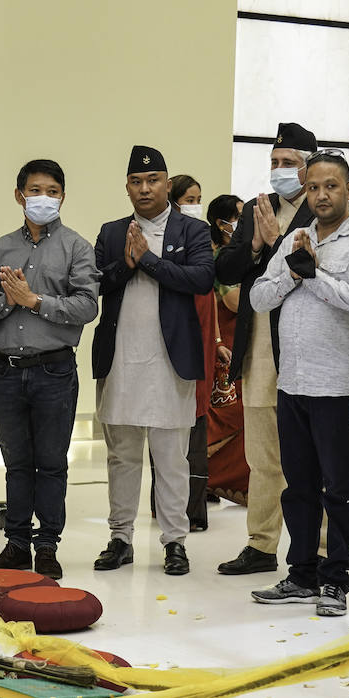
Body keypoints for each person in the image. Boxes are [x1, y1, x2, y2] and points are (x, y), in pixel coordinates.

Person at [248, 151, 349, 618]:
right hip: (293, 385)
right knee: (298, 487)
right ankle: (300, 574)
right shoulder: (293, 240)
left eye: (331, 186)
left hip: (339, 388)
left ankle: (336, 580)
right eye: (314, 188)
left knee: (339, 489)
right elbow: (258, 296)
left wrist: (314, 275)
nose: (322, 195)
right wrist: (291, 268)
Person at [0, 159, 98, 580]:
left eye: (53, 191)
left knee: (52, 462)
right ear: (19, 195)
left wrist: (34, 300)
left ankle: (47, 547)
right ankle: (17, 544)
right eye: (35, 190)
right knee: (16, 462)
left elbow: (87, 306)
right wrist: (9, 300)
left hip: (54, 371)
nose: (44, 198)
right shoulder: (2, 247)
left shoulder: (77, 247)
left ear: (62, 196)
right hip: (6, 370)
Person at [90, 149, 214, 575]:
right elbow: (96, 284)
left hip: (170, 360)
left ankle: (175, 541)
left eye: (154, 180)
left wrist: (150, 261)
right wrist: (126, 264)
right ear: (127, 186)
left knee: (171, 457)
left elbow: (201, 278)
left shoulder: (192, 230)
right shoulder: (110, 232)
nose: (145, 189)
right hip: (121, 357)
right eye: (137, 182)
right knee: (121, 454)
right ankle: (120, 537)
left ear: (166, 184)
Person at [213, 123, 318, 575]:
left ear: (308, 166)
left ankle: (318, 548)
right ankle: (260, 544)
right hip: (259, 343)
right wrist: (254, 241)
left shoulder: (324, 208)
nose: (278, 171)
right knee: (261, 454)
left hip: (307, 348)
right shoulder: (259, 208)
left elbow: (314, 272)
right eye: (274, 163)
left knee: (310, 455)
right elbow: (227, 266)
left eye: (288, 163)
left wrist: (275, 242)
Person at [168, 174, 212, 531]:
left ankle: (194, 511)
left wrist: (215, 342)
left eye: (199, 197)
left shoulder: (203, 241)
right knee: (172, 424)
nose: (195, 203)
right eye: (188, 198)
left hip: (204, 344)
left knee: (199, 424)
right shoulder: (169, 242)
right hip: (180, 338)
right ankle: (168, 507)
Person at [205, 193, 248, 504]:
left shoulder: (242, 253)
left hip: (241, 341)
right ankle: (208, 477)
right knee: (225, 414)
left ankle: (233, 480)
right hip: (223, 346)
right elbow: (233, 300)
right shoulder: (217, 256)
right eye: (238, 218)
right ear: (222, 223)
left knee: (241, 414)